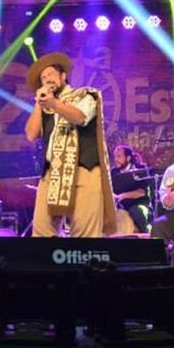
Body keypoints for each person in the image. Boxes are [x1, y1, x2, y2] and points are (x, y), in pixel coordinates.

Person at [24, 52, 117, 237]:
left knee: (85, 235)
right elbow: (31, 134)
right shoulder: (45, 106)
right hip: (52, 173)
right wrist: (39, 103)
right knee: (41, 232)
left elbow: (80, 117)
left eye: (50, 74)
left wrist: (54, 103)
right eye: (43, 78)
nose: (47, 79)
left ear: (63, 76)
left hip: (84, 170)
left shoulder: (87, 94)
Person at [111, 145, 153, 233]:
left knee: (135, 211)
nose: (115, 159)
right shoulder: (113, 172)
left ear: (128, 158)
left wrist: (123, 196)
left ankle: (146, 234)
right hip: (121, 206)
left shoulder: (140, 169)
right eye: (115, 156)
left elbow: (142, 192)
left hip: (140, 205)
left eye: (119, 156)